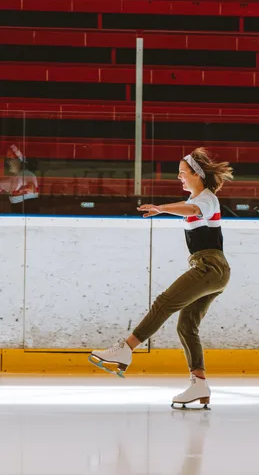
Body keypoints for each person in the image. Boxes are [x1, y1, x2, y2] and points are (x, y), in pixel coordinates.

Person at [89, 148, 233, 408]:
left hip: (210, 267)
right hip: (213, 269)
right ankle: (199, 383)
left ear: (197, 174)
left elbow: (192, 208)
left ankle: (126, 348)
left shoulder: (207, 199)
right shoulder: (198, 198)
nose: (178, 177)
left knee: (164, 302)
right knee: (186, 325)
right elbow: (189, 207)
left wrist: (162, 208)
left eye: (182, 172)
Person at [0, 144, 39, 213]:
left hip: (27, 213)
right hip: (16, 212)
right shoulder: (13, 178)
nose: (7, 161)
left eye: (10, 158)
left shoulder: (28, 174)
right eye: (7, 158)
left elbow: (31, 188)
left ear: (19, 159)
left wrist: (20, 191)